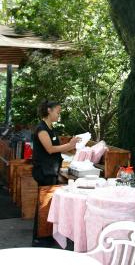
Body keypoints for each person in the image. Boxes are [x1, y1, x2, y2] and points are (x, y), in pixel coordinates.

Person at [32, 99, 80, 247]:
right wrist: (70, 144)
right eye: (58, 112)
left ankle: (45, 234)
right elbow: (50, 149)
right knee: (44, 203)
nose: (59, 115)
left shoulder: (50, 128)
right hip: (44, 171)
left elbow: (56, 148)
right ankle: (40, 237)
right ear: (49, 110)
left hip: (51, 170)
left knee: (47, 203)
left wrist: (72, 147)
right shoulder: (42, 129)